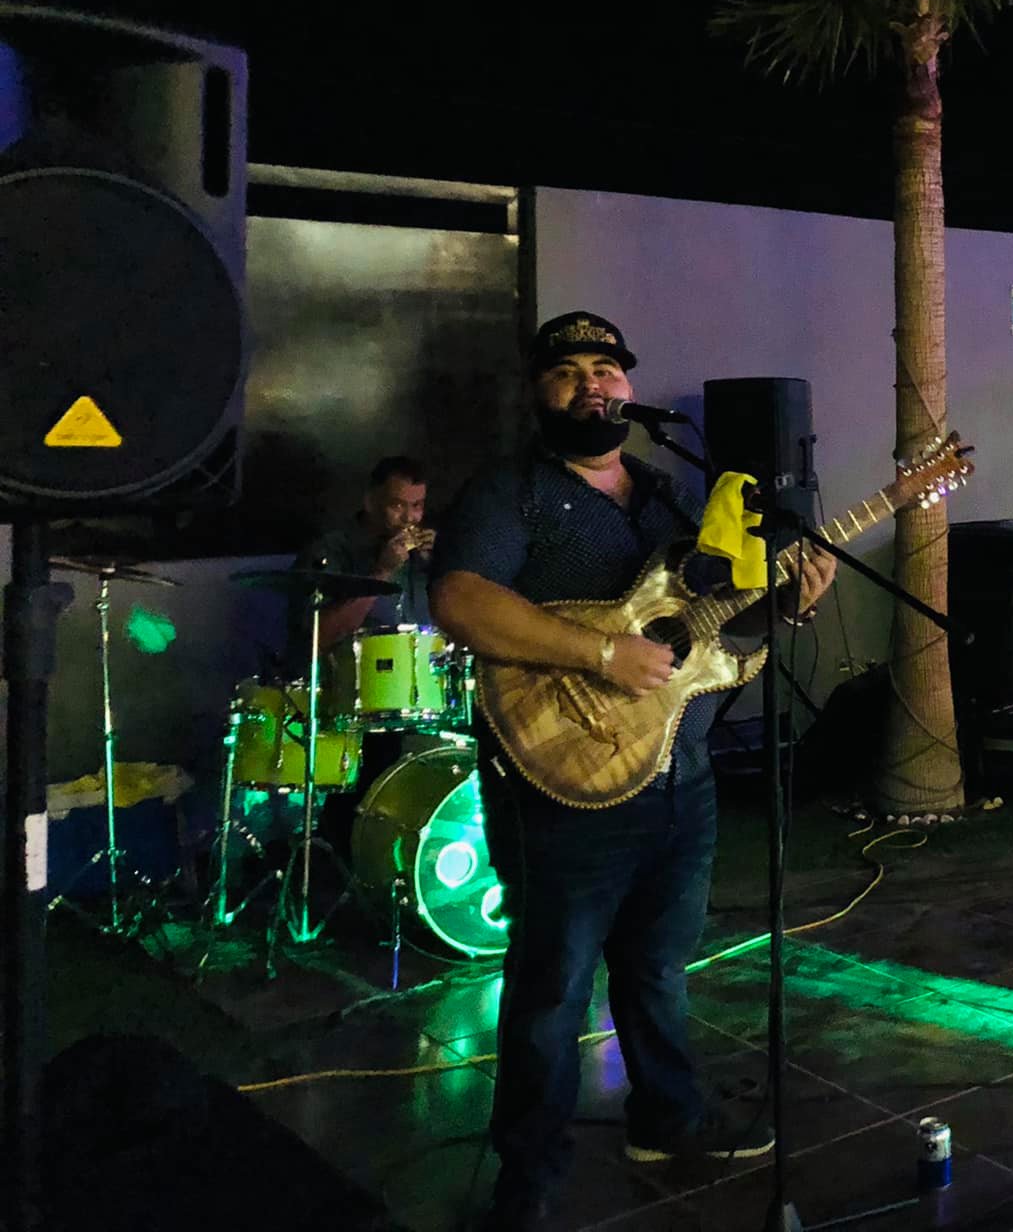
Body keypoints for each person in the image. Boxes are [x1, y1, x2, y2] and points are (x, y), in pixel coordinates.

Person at [430, 311, 836, 1231]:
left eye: (606, 370)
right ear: (539, 392)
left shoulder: (665, 496)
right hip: (558, 782)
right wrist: (601, 654)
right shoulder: (511, 493)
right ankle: (527, 1179)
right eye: (568, 371)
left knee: (658, 968)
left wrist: (785, 607)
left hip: (677, 772)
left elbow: (709, 632)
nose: (592, 385)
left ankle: (669, 1119)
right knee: (552, 990)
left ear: (629, 388)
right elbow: (459, 600)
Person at [289, 455, 434, 685]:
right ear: (370, 503)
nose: (409, 518)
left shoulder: (423, 558)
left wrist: (440, 565)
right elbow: (316, 640)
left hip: (417, 690)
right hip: (346, 689)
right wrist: (382, 572)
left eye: (417, 506)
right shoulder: (329, 552)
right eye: (397, 505)